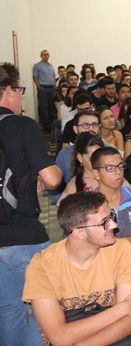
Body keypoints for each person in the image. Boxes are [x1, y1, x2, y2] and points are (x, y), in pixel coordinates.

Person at [23, 192, 131, 346]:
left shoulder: (122, 249)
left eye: (112, 217)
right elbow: (59, 337)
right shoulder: (42, 265)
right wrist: (122, 309)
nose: (114, 225)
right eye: (104, 222)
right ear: (80, 232)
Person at [0, 62, 63, 345]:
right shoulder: (20, 125)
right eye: (20, 90)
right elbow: (52, 178)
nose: (21, 97)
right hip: (22, 237)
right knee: (43, 309)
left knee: (8, 311)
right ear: (8, 90)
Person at [92, 146, 131, 249]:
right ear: (96, 174)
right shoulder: (88, 205)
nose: (118, 172)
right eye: (110, 168)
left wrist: (110, 244)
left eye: (120, 166)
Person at [56, 108, 101, 183]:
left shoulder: (109, 150)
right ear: (75, 129)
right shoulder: (64, 155)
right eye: (85, 125)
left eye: (94, 124)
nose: (91, 128)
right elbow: (56, 186)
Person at [61, 133, 105, 201]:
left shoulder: (112, 174)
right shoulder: (74, 186)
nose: (98, 161)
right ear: (80, 158)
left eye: (100, 157)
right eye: (92, 158)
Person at [33, 49, 57, 130]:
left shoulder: (50, 65)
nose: (46, 56)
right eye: (44, 54)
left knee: (52, 107)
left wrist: (54, 85)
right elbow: (35, 77)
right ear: (41, 56)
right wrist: (39, 87)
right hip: (43, 88)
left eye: (47, 54)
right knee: (44, 108)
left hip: (51, 88)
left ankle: (52, 126)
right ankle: (46, 127)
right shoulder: (37, 65)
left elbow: (53, 76)